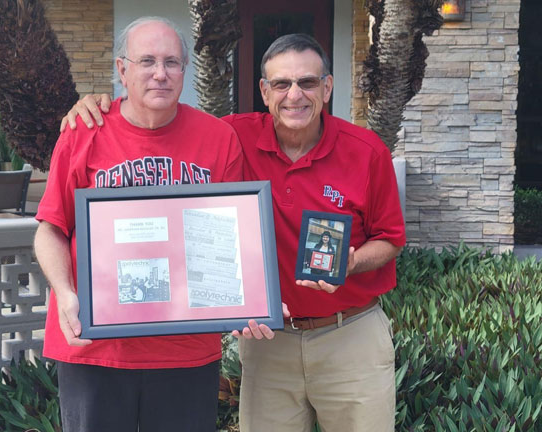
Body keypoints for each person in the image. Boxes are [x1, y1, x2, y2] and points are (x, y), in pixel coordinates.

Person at [62, 33, 406, 432]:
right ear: (264, 91)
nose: (294, 95)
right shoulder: (230, 136)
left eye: (307, 82)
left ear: (327, 88)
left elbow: (391, 238)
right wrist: (101, 105)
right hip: (268, 342)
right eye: (281, 84)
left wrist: (351, 262)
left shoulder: (366, 151)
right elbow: (162, 113)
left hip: (350, 335)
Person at [34, 16, 243, 432]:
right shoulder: (82, 131)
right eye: (147, 60)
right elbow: (50, 228)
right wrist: (65, 292)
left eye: (172, 62)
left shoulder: (218, 138)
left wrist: (244, 300)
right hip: (95, 346)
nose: (160, 73)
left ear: (185, 71)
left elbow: (233, 237)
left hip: (186, 351)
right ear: (121, 69)